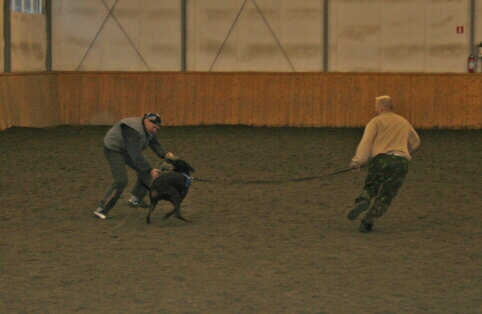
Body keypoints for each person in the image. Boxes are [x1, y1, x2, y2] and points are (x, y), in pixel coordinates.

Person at [347, 96, 420, 232]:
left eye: (375, 107)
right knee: (387, 195)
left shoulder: (375, 122)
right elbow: (415, 141)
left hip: (381, 160)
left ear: (381, 108)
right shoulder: (403, 122)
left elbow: (366, 142)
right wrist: (404, 152)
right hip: (400, 162)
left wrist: (357, 161)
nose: (374, 109)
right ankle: (367, 222)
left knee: (371, 187)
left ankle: (363, 201)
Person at [94, 113, 174, 219]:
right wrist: (150, 169)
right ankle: (102, 209)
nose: (155, 130)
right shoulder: (133, 130)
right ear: (146, 121)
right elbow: (135, 155)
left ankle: (135, 199)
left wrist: (166, 155)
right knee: (121, 181)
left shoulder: (150, 130)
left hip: (128, 149)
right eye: (154, 127)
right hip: (114, 149)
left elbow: (155, 145)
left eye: (157, 128)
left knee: (146, 170)